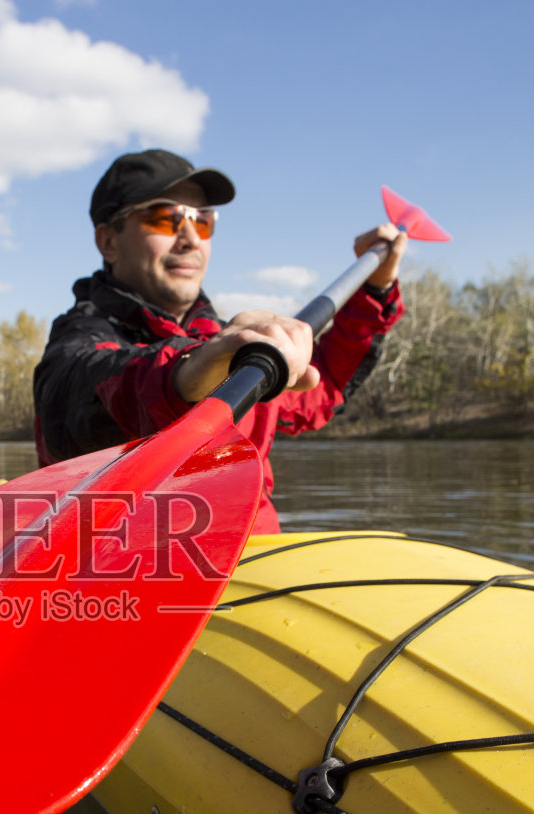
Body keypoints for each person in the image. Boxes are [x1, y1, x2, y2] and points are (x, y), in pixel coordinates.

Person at [32, 149, 407, 533]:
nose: (190, 239)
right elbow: (88, 396)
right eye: (164, 218)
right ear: (108, 241)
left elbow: (321, 385)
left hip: (253, 569)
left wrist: (374, 291)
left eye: (203, 221)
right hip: (138, 575)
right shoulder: (80, 340)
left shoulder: (232, 346)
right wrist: (193, 371)